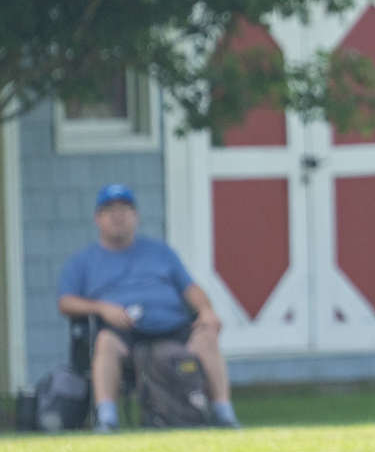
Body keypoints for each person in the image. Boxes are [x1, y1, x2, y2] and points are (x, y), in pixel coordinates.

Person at [57, 184, 240, 432]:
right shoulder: (82, 261)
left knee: (206, 337)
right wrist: (101, 308)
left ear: (136, 216)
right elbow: (66, 302)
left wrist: (206, 310)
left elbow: (191, 289)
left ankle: (224, 415)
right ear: (98, 219)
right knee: (105, 343)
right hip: (124, 332)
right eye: (109, 210)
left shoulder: (161, 252)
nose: (118, 215)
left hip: (171, 326)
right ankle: (107, 419)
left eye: (125, 209)